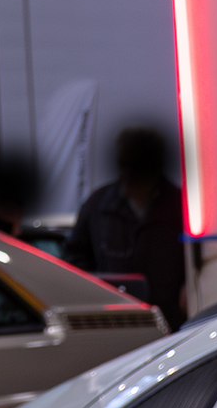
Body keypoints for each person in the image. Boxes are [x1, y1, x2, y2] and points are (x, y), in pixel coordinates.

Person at [64, 126, 188, 327]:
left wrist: (189, 288)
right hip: (115, 322)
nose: (129, 175)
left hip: (169, 322)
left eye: (137, 167)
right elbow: (75, 258)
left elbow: (198, 260)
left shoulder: (180, 206)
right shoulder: (97, 206)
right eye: (125, 165)